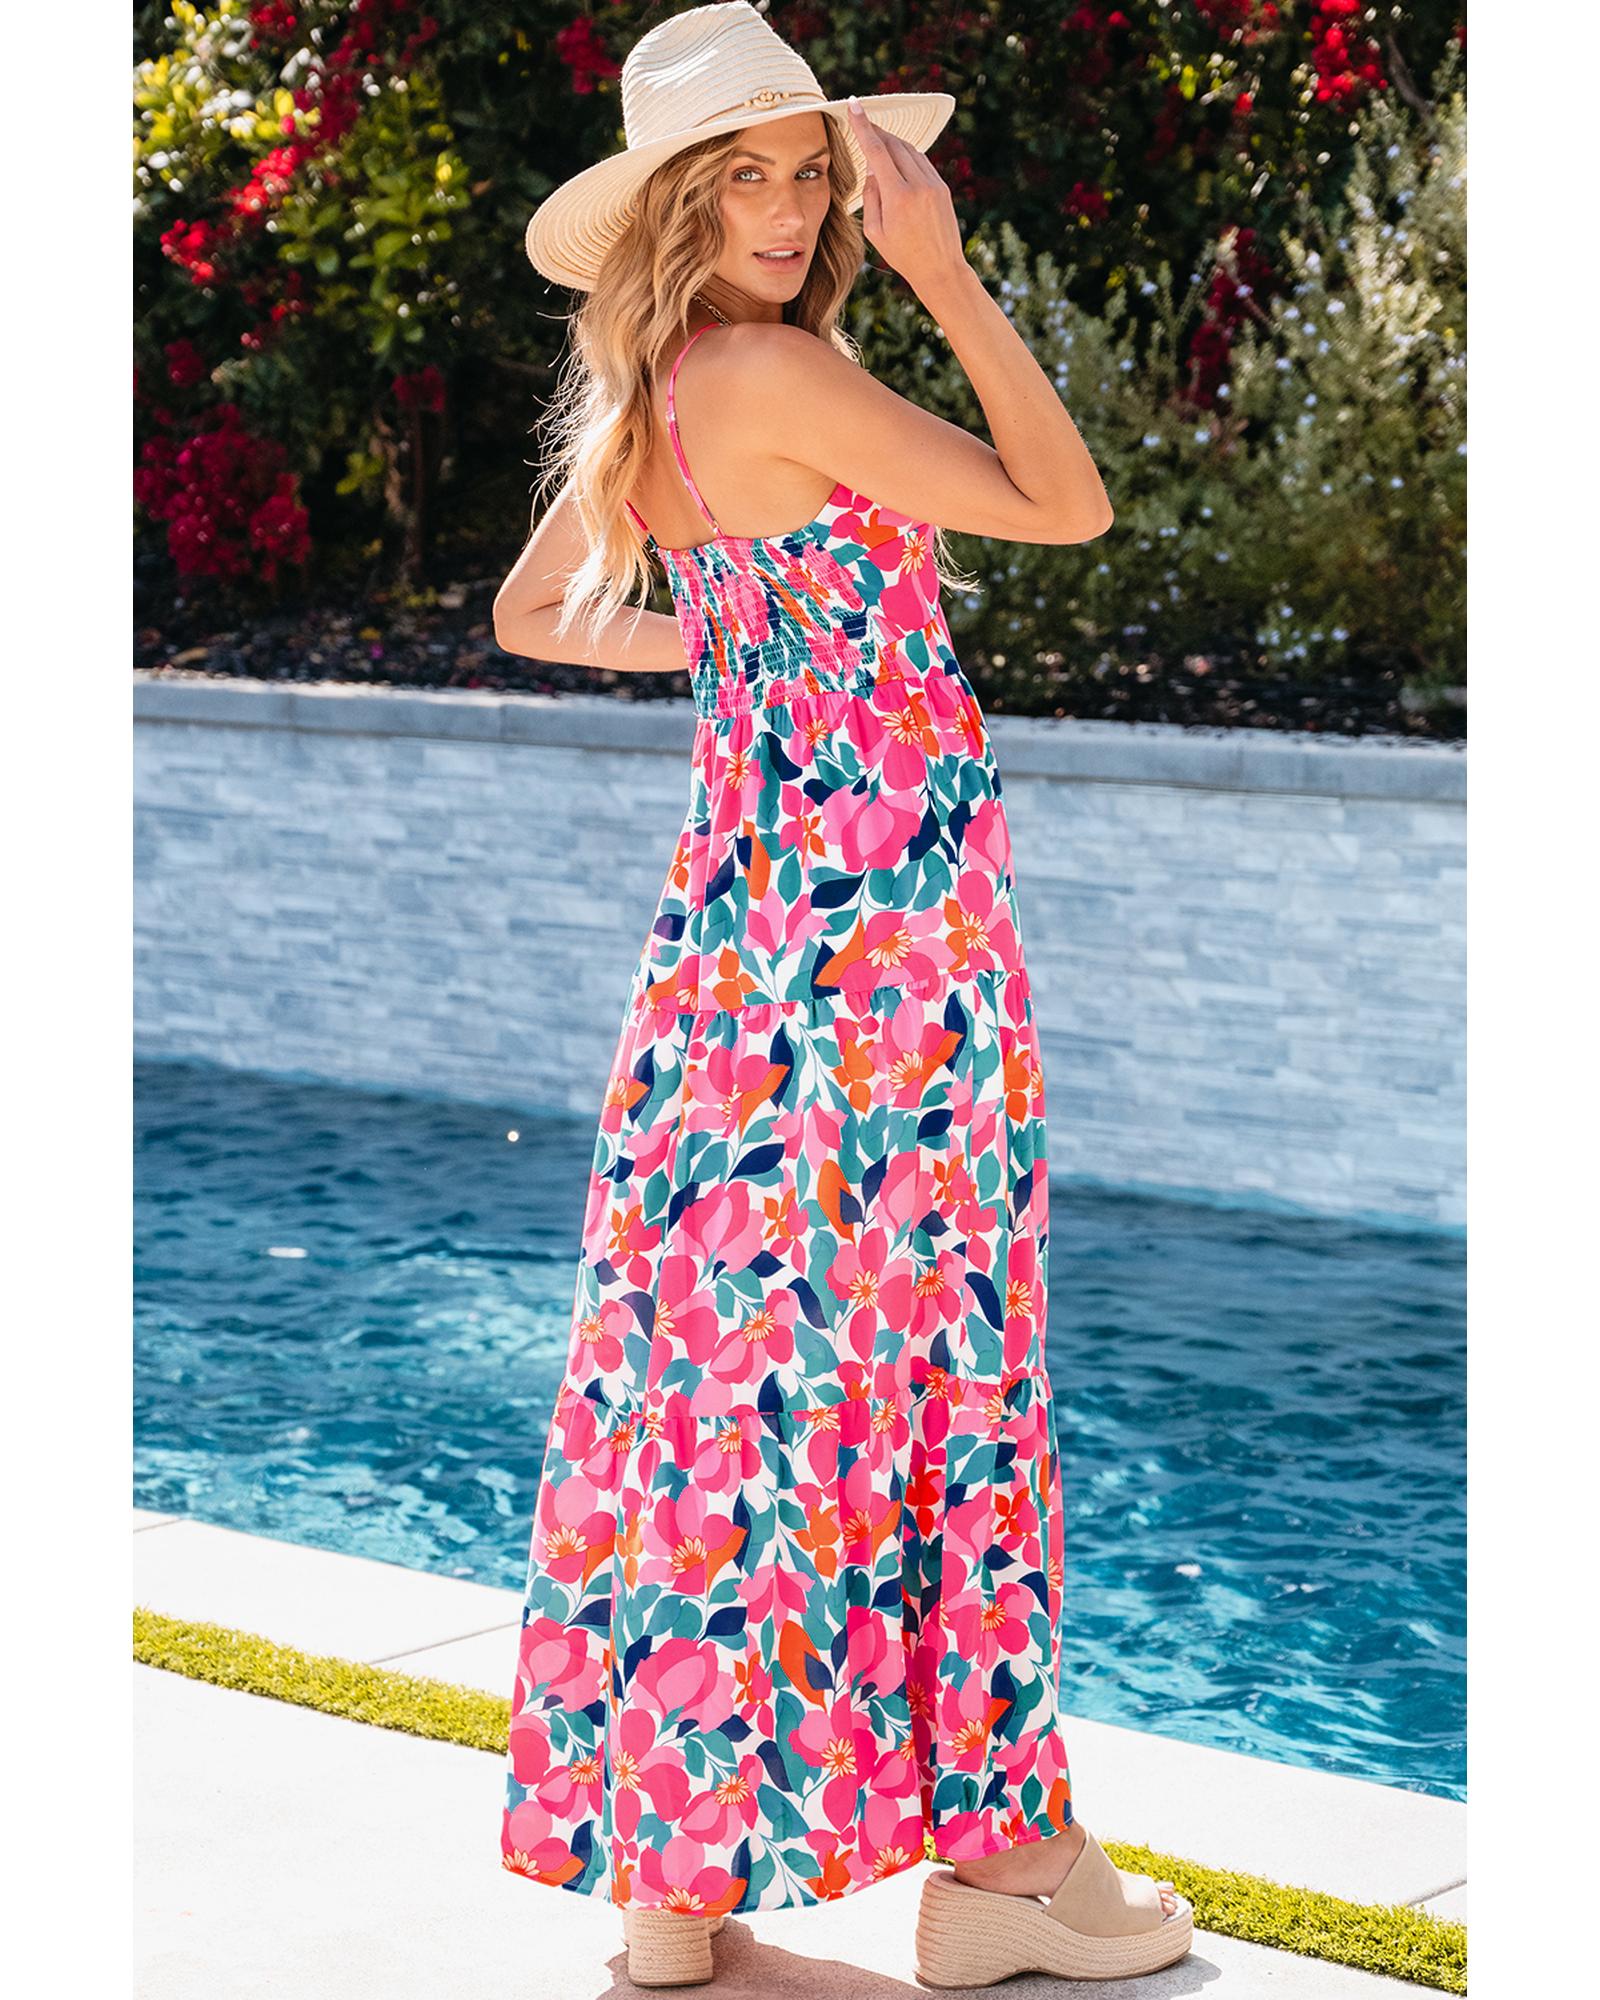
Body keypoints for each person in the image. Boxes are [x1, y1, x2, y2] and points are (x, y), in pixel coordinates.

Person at [493, 4, 1192, 1988]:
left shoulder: (654, 395)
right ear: (677, 204)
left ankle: (673, 1883)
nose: (794, 207)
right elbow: (1065, 501)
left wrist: (742, 661)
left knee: (715, 1360)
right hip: (889, 944)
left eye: (810, 170)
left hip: (732, 944)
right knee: (932, 1359)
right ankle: (1004, 1865)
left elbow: (533, 612)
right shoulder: (779, 372)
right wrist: (952, 276)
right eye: (748, 175)